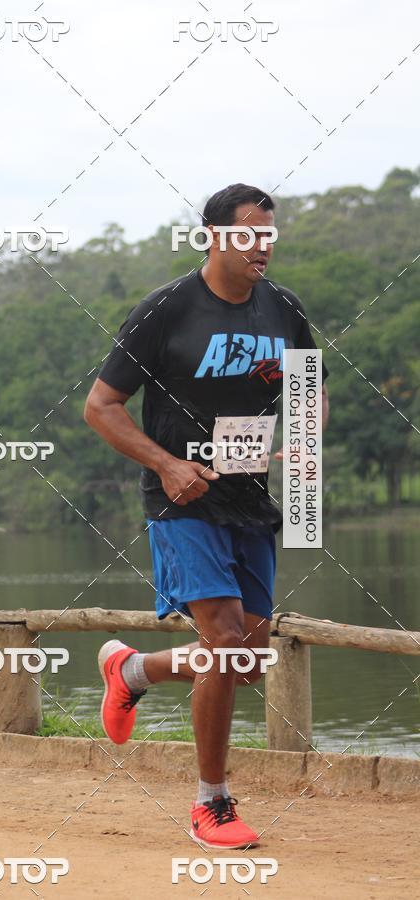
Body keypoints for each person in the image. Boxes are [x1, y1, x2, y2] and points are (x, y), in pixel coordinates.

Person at [83, 183, 329, 850]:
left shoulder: (283, 307)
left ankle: (134, 671)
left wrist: (305, 437)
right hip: (183, 500)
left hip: (250, 502)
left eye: (269, 234)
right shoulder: (166, 309)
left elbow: (313, 391)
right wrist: (167, 464)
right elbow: (101, 407)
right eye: (249, 234)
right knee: (223, 641)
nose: (262, 246)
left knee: (246, 661)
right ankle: (210, 802)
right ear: (215, 237)